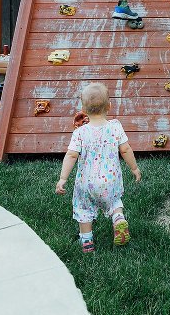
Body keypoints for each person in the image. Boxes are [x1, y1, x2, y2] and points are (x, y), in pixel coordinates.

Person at [56, 83, 142, 253]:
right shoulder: (115, 127)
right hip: (110, 181)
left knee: (84, 210)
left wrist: (63, 178)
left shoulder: (80, 133)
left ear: (83, 108)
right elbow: (125, 149)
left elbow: (71, 155)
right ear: (109, 106)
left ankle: (87, 242)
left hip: (86, 184)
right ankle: (118, 219)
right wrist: (134, 168)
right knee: (114, 202)